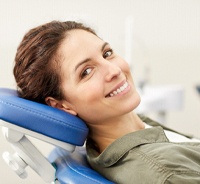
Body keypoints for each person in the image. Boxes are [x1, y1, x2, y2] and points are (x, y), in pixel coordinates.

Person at [13, 20, 200, 184]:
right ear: (62, 105)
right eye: (86, 72)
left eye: (107, 53)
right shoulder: (167, 173)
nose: (114, 70)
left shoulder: (135, 129)